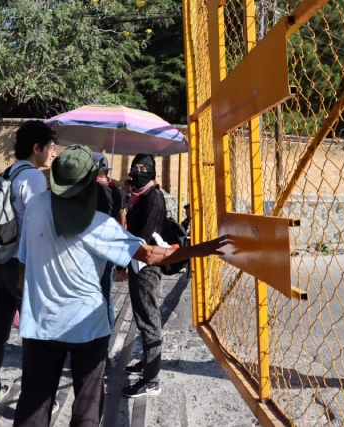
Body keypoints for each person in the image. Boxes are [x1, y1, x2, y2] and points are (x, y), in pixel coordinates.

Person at [13, 145, 228, 426]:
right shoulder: (98, 224)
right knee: (87, 405)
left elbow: (23, 263)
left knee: (33, 403)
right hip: (86, 328)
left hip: (40, 324)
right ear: (91, 181)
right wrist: (199, 250)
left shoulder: (37, 205)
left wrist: (26, 301)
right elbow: (150, 254)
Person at [0, 120, 56, 406]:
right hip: (22, 265)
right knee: (35, 336)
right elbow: (37, 226)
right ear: (36, 147)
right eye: (50, 147)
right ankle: (34, 400)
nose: (53, 152)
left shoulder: (8, 172)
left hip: (0, 262)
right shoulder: (34, 177)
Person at [120, 153, 168, 398]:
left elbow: (145, 234)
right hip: (137, 263)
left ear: (151, 171)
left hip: (147, 267)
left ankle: (152, 380)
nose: (136, 171)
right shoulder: (137, 196)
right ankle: (148, 363)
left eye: (142, 167)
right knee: (142, 318)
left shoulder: (153, 197)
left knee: (150, 321)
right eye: (134, 167)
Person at [93, 152, 126, 329]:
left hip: (92, 249)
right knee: (105, 293)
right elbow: (121, 221)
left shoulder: (90, 191)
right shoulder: (116, 191)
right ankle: (106, 336)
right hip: (109, 247)